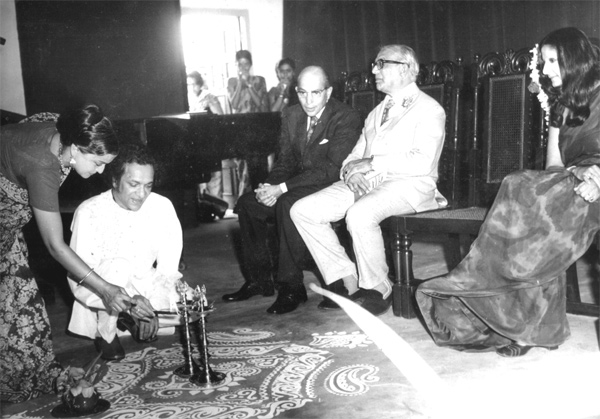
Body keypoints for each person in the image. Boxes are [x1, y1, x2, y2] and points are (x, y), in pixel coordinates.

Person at [415, 27, 600, 357]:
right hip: (572, 184)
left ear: (575, 59)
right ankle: (516, 320)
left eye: (553, 61)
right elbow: (554, 168)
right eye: (543, 62)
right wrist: (579, 172)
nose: (545, 70)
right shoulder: (559, 107)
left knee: (532, 217)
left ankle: (518, 321)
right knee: (517, 188)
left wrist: (596, 176)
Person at [0, 105, 153, 403]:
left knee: (24, 314)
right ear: (77, 148)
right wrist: (106, 289)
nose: (98, 172)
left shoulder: (64, 129)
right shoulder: (42, 165)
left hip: (6, 236)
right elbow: (55, 245)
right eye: (96, 162)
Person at [291, 45, 447, 316]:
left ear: (404, 68)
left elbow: (423, 162)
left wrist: (372, 164)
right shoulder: (376, 113)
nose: (373, 70)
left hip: (410, 185)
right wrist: (352, 173)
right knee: (302, 210)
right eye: (375, 64)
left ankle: (378, 287)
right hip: (368, 182)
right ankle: (348, 279)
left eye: (381, 64)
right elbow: (355, 155)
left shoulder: (429, 109)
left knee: (360, 214)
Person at [222, 66, 362, 315]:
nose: (308, 101)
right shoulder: (291, 114)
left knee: (287, 203)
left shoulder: (345, 116)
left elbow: (331, 169)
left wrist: (282, 188)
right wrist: (268, 187)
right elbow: (285, 160)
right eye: (302, 93)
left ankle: (291, 287)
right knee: (248, 204)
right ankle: (259, 280)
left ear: (328, 92)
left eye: (315, 93)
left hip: (327, 185)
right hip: (296, 184)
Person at [67, 143, 183, 360]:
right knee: (119, 266)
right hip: (104, 288)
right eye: (133, 184)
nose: (142, 194)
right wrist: (130, 304)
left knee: (187, 311)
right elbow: (79, 277)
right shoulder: (88, 212)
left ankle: (132, 320)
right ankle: (107, 333)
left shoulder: (162, 206)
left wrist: (152, 308)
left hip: (145, 284)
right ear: (114, 180)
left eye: (148, 185)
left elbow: (168, 266)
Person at [227, 50, 270, 198]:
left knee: (259, 167)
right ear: (236, 65)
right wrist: (240, 84)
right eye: (240, 64)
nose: (243, 67)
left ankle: (260, 203)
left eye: (246, 64)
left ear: (250, 65)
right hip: (240, 129)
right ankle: (244, 204)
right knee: (243, 168)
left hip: (257, 128)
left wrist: (249, 86)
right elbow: (234, 104)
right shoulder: (232, 82)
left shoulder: (259, 80)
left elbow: (260, 104)